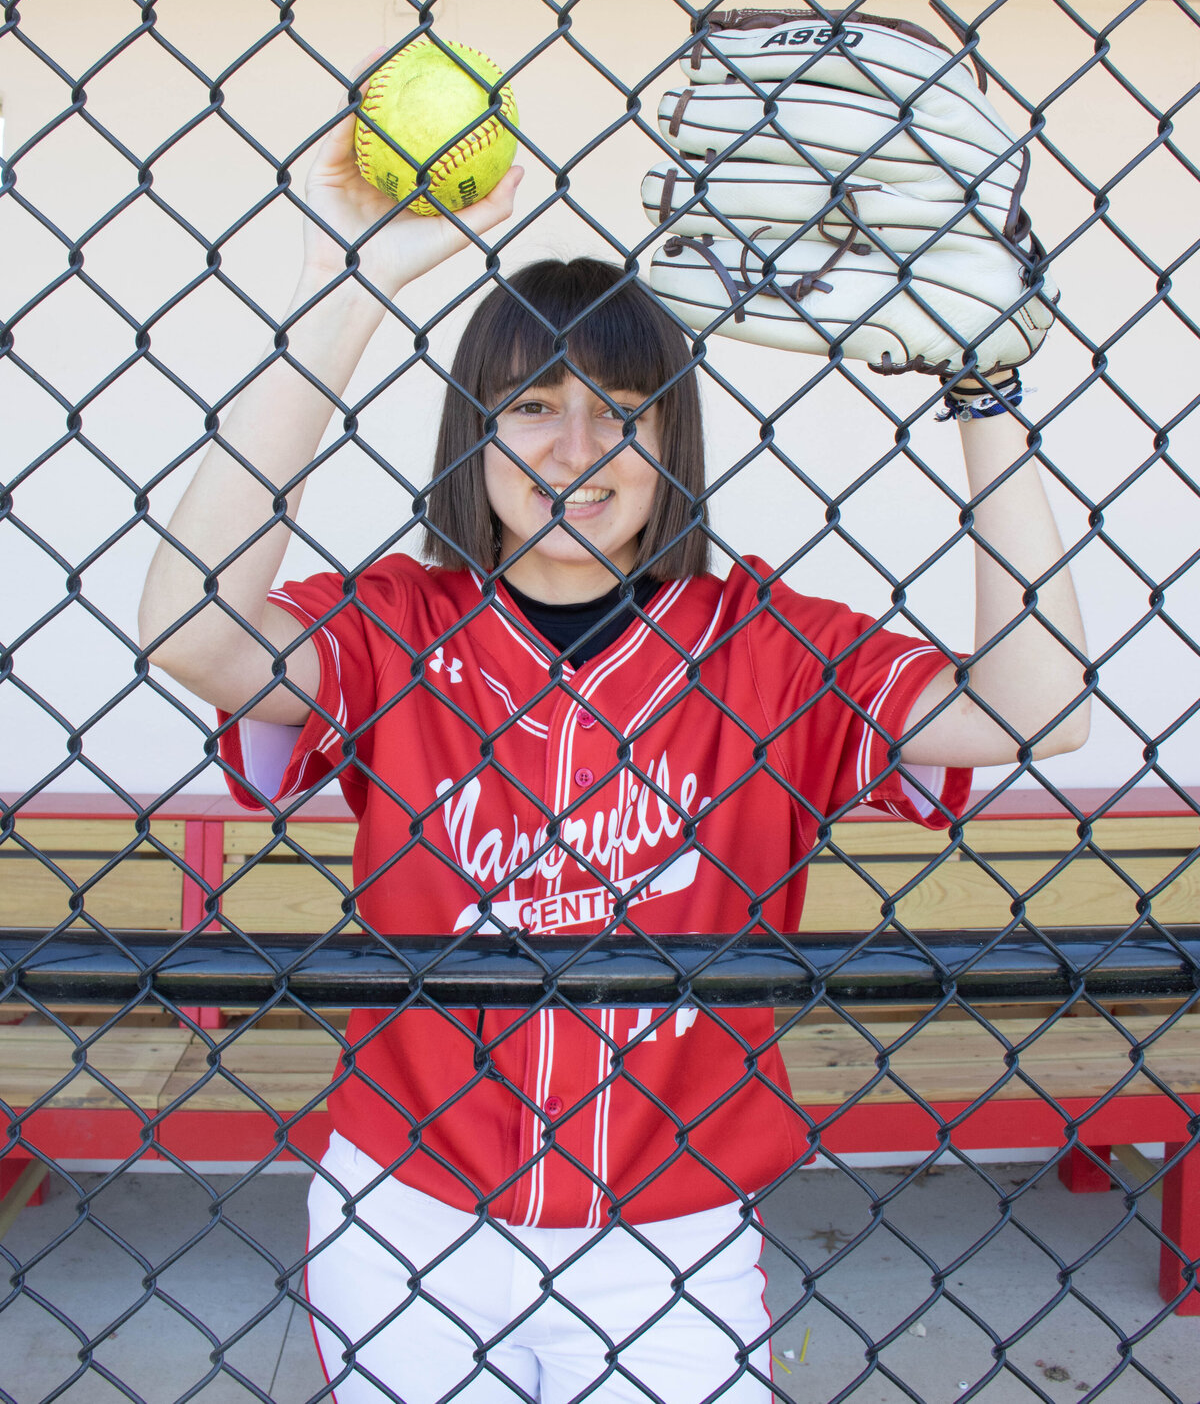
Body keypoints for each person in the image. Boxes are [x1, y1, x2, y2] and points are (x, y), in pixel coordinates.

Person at [138, 90, 1089, 1404]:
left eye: (623, 409)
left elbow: (1039, 704)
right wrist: (340, 287)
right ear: (473, 435)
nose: (577, 448)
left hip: (671, 1239)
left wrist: (987, 387)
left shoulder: (766, 642)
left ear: (674, 440)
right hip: (408, 1213)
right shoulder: (401, 626)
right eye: (530, 406)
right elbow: (191, 627)